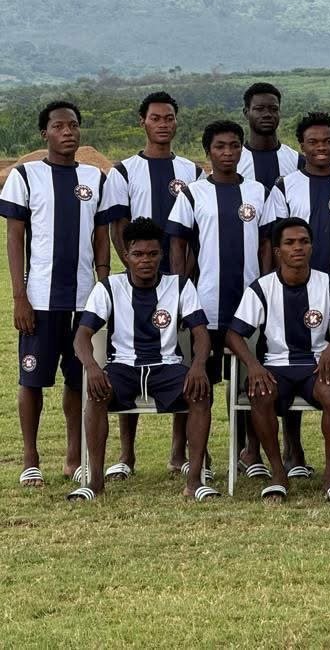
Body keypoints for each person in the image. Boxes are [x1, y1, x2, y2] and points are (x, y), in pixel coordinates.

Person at [1, 100, 109, 488]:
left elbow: (101, 235)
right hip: (40, 300)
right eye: (59, 126)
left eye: (73, 125)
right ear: (44, 133)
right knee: (32, 380)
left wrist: (102, 283)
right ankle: (30, 458)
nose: (68, 132)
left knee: (78, 380)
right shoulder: (25, 175)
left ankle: (73, 458)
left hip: (84, 301)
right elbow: (14, 238)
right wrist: (19, 297)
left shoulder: (94, 178)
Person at [69, 218, 215, 501]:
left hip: (166, 366)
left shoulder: (180, 285)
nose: (145, 260)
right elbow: (81, 336)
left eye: (152, 254)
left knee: (200, 393)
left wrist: (198, 365)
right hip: (123, 367)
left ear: (161, 254)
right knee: (96, 394)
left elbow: (201, 334)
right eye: (137, 254)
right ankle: (95, 482)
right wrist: (93, 367)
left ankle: (194, 481)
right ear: (126, 256)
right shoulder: (109, 287)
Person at [99, 90, 203, 480]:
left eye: (169, 117)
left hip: (180, 285)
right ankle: (126, 454)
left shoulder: (192, 170)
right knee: (129, 357)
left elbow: (195, 231)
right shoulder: (124, 171)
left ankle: (179, 452)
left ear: (177, 122)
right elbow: (118, 228)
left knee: (177, 360)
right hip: (137, 285)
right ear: (142, 121)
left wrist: (182, 275)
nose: (163, 124)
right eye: (156, 118)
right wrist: (135, 271)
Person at [165, 120, 274, 475]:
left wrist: (266, 289)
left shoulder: (258, 191)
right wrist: (181, 292)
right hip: (206, 306)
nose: (228, 152)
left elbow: (267, 244)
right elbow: (178, 244)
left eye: (234, 146)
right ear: (208, 151)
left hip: (249, 307)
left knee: (252, 382)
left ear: (242, 149)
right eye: (220, 146)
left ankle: (250, 453)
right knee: (200, 384)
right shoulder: (193, 193)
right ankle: (200, 457)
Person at [226, 218, 330, 502]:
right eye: (290, 243)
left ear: (311, 247)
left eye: (304, 242)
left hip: (315, 365)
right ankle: (278, 474)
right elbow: (234, 335)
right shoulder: (261, 288)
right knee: (260, 393)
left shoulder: (329, 285)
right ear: (277, 251)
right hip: (275, 367)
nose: (298, 247)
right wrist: (253, 365)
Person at [268, 111, 330, 476]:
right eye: (313, 142)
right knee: (291, 362)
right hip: (292, 292)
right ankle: (293, 450)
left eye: (327, 141)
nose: (321, 147)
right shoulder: (285, 186)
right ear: (302, 146)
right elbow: (275, 241)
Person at [237, 82, 303, 188]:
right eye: (259, 109)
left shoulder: (298, 161)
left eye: (273, 109)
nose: (267, 114)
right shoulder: (234, 162)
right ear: (246, 113)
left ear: (279, 112)